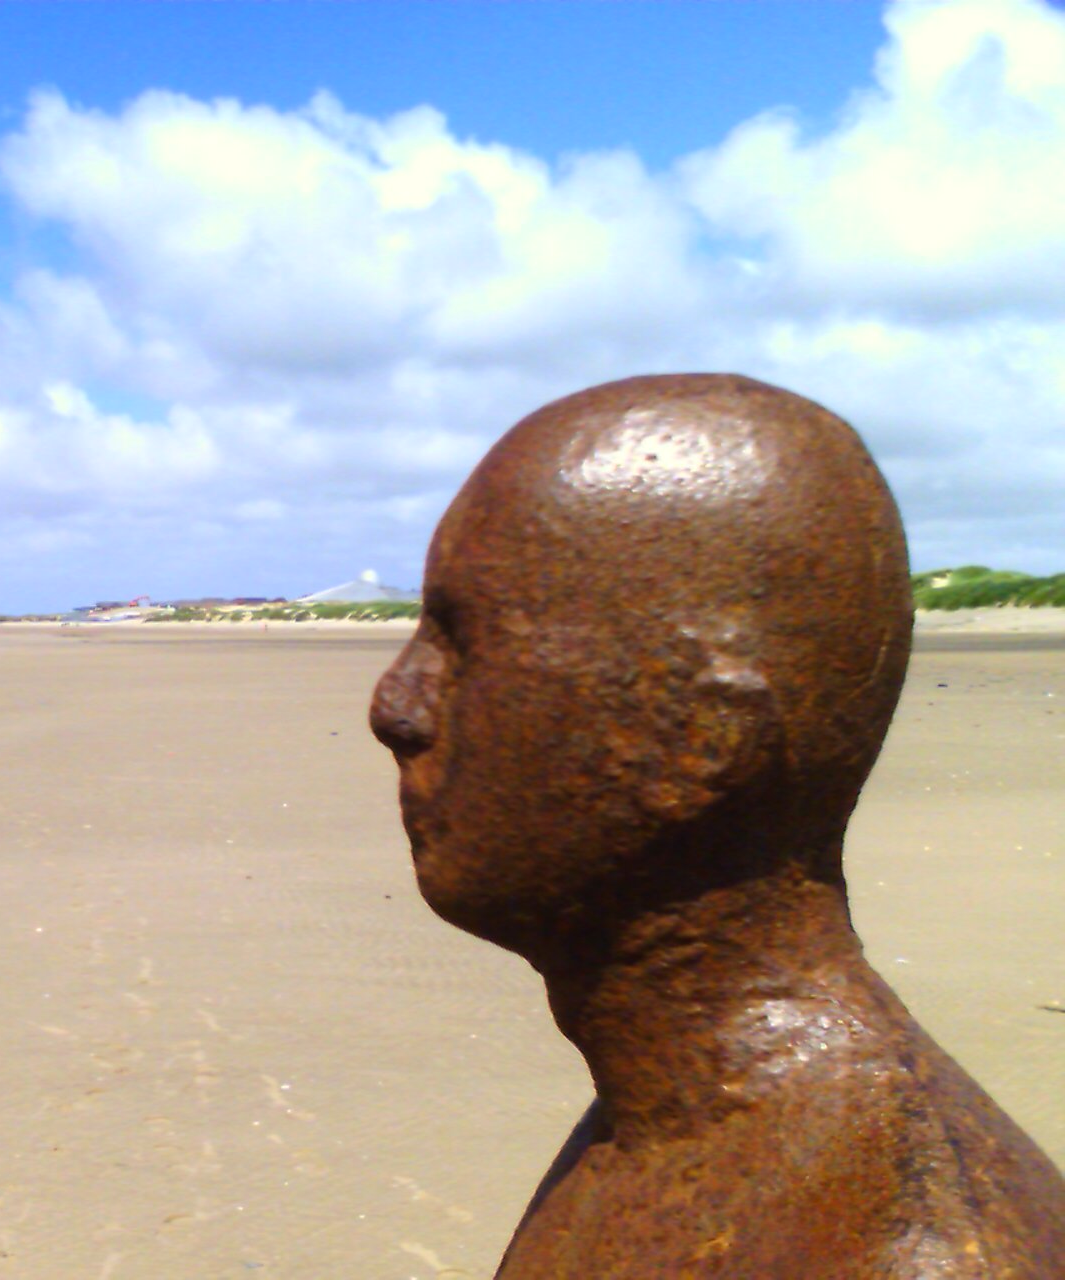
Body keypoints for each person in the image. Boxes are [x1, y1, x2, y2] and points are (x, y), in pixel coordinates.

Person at [370, 374, 1065, 1278]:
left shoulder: (902, 1246)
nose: (396, 705)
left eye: (463, 642)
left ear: (696, 743)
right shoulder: (669, 1126)